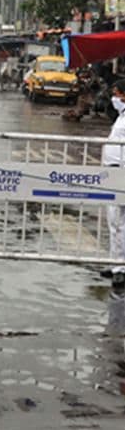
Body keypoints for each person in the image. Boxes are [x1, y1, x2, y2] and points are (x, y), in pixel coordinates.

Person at [102, 81, 125, 282]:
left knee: (118, 222)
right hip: (114, 173)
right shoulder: (121, 116)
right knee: (115, 221)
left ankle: (120, 268)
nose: (114, 98)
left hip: (121, 174)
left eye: (117, 94)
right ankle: (116, 264)